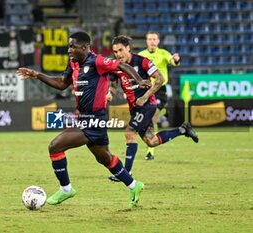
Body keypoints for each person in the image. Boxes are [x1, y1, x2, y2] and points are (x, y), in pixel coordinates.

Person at [17, 31, 148, 208]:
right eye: (68, 46)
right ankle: (134, 185)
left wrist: (139, 80)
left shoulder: (98, 61)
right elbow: (62, 84)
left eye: (73, 46)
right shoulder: (73, 63)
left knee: (55, 146)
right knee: (105, 158)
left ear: (85, 47)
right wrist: (37, 75)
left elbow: (123, 66)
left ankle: (66, 189)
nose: (69, 50)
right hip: (85, 118)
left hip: (94, 119)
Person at [107, 35, 198, 182]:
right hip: (135, 108)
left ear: (128, 48)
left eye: (120, 50)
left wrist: (145, 96)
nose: (118, 54)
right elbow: (113, 84)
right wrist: (110, 94)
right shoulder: (117, 66)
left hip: (148, 105)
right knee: (152, 141)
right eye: (115, 51)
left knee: (130, 132)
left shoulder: (142, 61)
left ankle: (125, 173)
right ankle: (183, 130)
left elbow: (160, 78)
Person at [138, 31, 181, 160]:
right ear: (146, 41)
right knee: (147, 119)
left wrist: (176, 60)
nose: (152, 41)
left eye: (154, 39)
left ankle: (150, 151)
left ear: (158, 41)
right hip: (146, 90)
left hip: (160, 90)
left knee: (152, 117)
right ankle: (165, 115)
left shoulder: (163, 53)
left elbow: (173, 62)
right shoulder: (141, 55)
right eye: (150, 39)